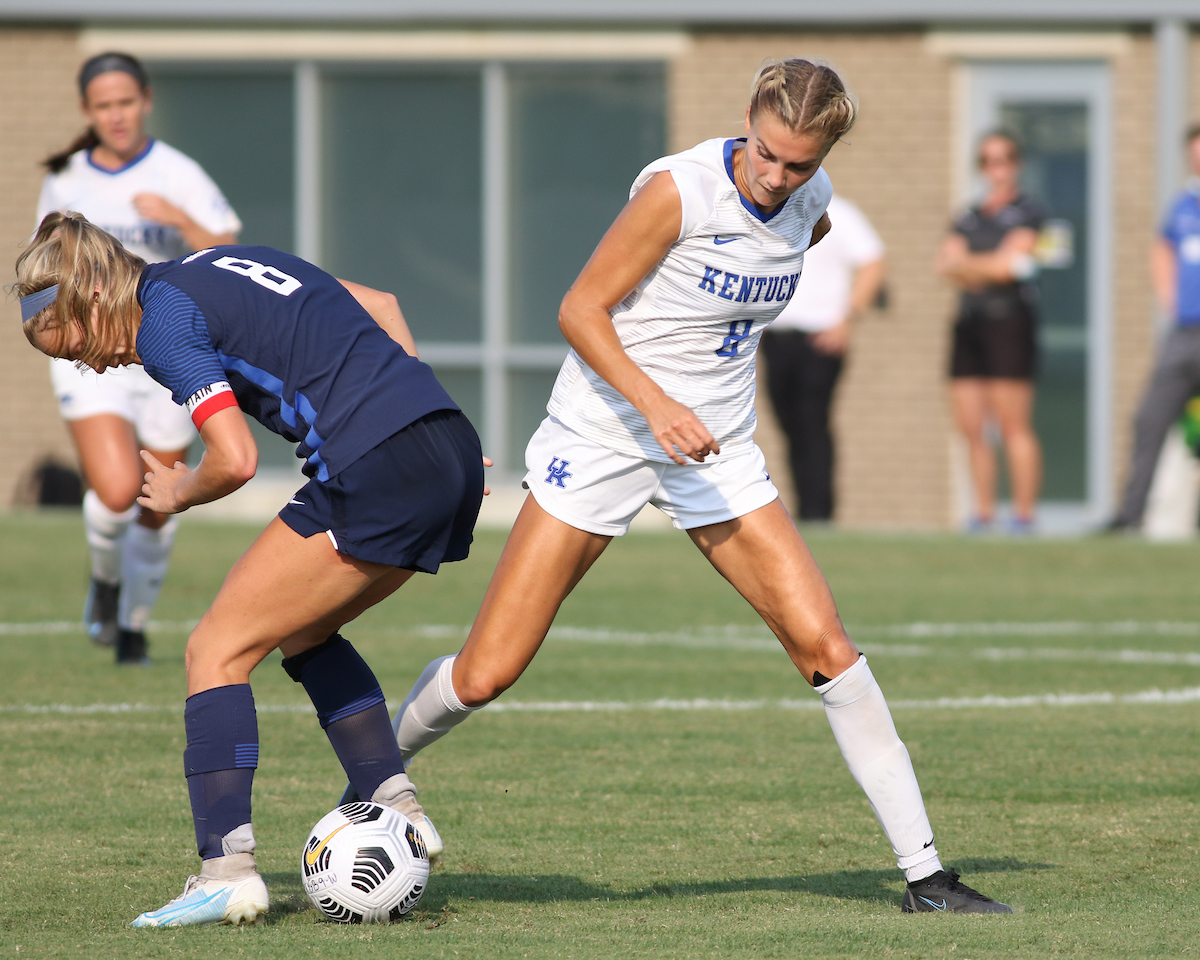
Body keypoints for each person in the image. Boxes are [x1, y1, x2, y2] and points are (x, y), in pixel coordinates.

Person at [382, 60, 1011, 914]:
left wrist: (698, 402)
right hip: (603, 433)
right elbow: (578, 309)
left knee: (827, 648)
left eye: (798, 163)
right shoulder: (679, 192)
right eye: (766, 153)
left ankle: (926, 877)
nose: (777, 175)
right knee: (490, 670)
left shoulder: (811, 201)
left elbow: (787, 249)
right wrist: (658, 402)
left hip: (715, 451)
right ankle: (374, 772)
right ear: (746, 120)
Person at [16, 212, 484, 926]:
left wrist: (178, 490)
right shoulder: (219, 263)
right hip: (448, 442)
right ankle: (396, 804)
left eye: (76, 342)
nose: (92, 363)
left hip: (378, 463)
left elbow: (233, 460)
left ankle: (226, 871)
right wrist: (417, 420)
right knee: (305, 631)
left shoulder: (161, 323)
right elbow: (382, 306)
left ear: (94, 294)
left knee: (216, 649)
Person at [36, 52, 241, 662]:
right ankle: (105, 581)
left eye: (125, 102)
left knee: (159, 498)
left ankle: (132, 627)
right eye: (103, 106)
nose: (116, 116)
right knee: (120, 488)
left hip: (165, 347)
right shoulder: (68, 177)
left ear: (145, 100)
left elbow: (229, 251)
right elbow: (42, 273)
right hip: (92, 354)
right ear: (86, 111)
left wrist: (178, 220)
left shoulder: (178, 172)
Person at [936, 130, 1045, 534]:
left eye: (1003, 160)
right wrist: (985, 266)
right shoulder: (968, 215)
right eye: (987, 161)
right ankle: (982, 514)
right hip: (968, 324)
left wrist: (971, 265)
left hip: (1009, 324)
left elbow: (1008, 266)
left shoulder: (1030, 212)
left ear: (1016, 164)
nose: (996, 169)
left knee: (1013, 424)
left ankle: (1023, 515)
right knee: (971, 427)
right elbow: (945, 264)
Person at [760, 194, 885, 521]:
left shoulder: (842, 212)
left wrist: (848, 319)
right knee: (788, 426)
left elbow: (873, 262)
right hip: (776, 338)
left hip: (820, 339)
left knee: (812, 424)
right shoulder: (772, 211)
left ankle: (819, 513)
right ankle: (804, 510)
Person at [1108, 124, 1200, 532]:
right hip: (1184, 334)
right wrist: (1169, 297)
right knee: (1150, 419)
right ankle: (1130, 516)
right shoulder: (1183, 205)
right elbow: (1162, 248)